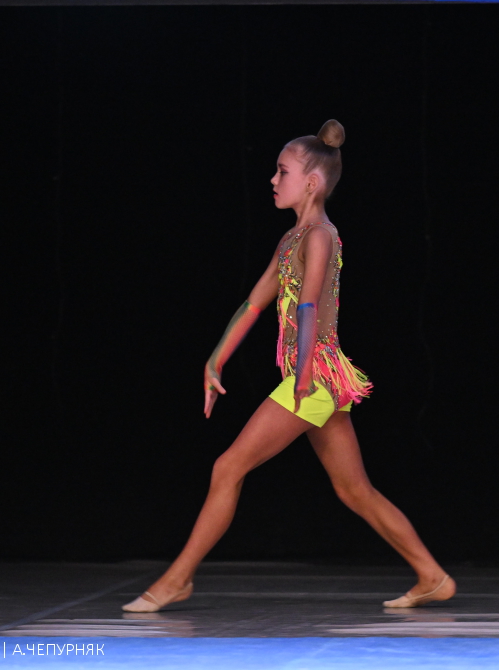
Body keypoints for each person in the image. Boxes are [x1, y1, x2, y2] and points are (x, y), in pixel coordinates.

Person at [122, 119, 455, 613]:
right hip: (318, 376)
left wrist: (301, 374)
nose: (273, 180)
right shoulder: (290, 240)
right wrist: (215, 360)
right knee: (354, 490)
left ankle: (177, 580)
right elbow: (253, 304)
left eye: (282, 171)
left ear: (312, 182)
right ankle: (432, 576)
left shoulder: (320, 236)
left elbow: (308, 304)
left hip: (313, 377)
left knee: (228, 467)